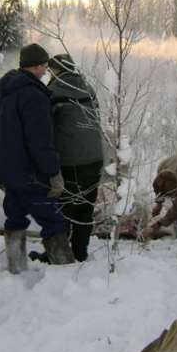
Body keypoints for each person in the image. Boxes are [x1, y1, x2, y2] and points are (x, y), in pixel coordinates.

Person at [0, 44, 75, 273]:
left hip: (7, 169)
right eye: (45, 66)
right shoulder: (34, 95)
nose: (46, 70)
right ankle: (66, 273)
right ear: (36, 66)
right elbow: (40, 141)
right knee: (53, 220)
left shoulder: (4, 91)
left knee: (15, 217)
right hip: (29, 173)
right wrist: (53, 172)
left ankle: (16, 268)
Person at [46, 53, 104, 262]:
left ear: (57, 71)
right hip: (95, 158)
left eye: (51, 70)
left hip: (69, 160)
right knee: (85, 207)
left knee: (64, 207)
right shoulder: (88, 88)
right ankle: (80, 252)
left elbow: (47, 128)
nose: (49, 74)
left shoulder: (52, 91)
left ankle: (59, 254)